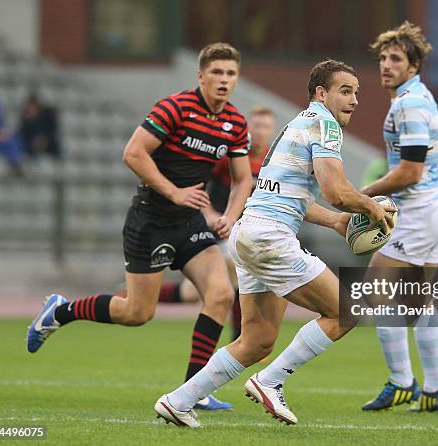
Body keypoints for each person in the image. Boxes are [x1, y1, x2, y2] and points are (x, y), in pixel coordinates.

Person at [153, 59, 395, 428]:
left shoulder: (297, 124)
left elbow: (291, 195)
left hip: (250, 232)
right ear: (320, 93)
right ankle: (271, 380)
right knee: (346, 311)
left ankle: (178, 400)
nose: (355, 100)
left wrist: (337, 221)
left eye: (357, 93)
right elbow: (335, 190)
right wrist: (371, 208)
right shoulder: (325, 124)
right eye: (345, 91)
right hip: (270, 237)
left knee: (257, 341)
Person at [27, 43, 254, 411]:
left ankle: (191, 392)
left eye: (230, 74)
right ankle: (59, 311)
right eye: (217, 73)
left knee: (221, 294)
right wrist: (174, 192)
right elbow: (133, 152)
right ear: (201, 76)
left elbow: (243, 180)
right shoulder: (175, 108)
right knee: (137, 313)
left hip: (190, 222)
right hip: (151, 218)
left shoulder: (236, 123)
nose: (224, 80)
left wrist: (231, 213)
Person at [359, 21, 438, 413]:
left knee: (376, 290)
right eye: (383, 58)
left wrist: (360, 196)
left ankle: (402, 382)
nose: (386, 65)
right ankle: (435, 388)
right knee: (417, 301)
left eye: (395, 58)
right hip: (435, 206)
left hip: (421, 211)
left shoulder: (409, 103)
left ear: (413, 66)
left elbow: (410, 172)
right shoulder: (418, 97)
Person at [157, 106, 278, 342]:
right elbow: (198, 183)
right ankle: (243, 339)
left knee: (196, 291)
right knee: (234, 275)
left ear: (272, 131)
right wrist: (211, 214)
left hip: (248, 233)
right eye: (257, 126)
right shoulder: (231, 158)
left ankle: (242, 340)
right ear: (248, 128)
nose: (261, 132)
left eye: (266, 127)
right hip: (221, 229)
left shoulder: (271, 162)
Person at [19, 93, 61, 160]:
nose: (31, 108)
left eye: (33, 106)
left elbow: (53, 130)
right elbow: (23, 134)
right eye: (30, 106)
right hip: (32, 146)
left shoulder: (48, 115)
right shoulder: (25, 119)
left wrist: (45, 139)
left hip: (48, 143)